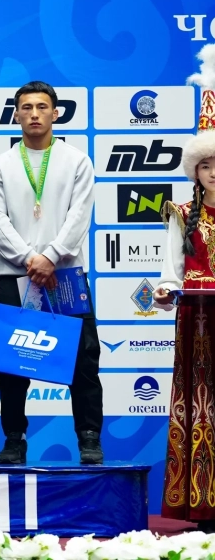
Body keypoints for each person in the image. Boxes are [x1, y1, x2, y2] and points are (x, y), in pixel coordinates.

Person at [0, 81, 102, 465]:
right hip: (15, 276)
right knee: (12, 363)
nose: (34, 114)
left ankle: (89, 439)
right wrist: (29, 259)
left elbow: (79, 216)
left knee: (83, 360)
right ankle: (14, 439)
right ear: (16, 114)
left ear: (55, 113)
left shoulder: (77, 161)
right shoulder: (1, 165)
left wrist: (50, 257)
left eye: (41, 106)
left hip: (65, 276)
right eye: (26, 107)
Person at [155, 43, 215, 531]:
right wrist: (164, 290)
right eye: (206, 165)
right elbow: (170, 267)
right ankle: (202, 503)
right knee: (200, 405)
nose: (214, 172)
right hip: (197, 319)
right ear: (194, 170)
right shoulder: (180, 212)